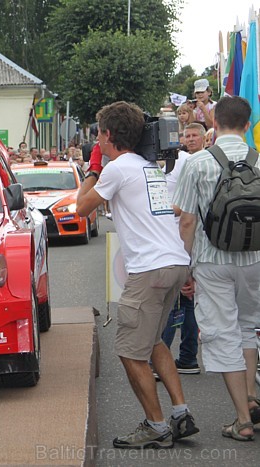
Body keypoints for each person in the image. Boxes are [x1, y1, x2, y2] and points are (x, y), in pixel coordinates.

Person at [76, 101, 197, 449]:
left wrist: (93, 169)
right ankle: (180, 413)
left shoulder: (118, 168)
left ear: (108, 135)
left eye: (98, 133)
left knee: (130, 352)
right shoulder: (147, 166)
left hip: (149, 270)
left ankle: (156, 427)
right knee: (153, 340)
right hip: (174, 263)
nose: (96, 139)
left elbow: (81, 208)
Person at [174, 96, 260, 441]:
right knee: (248, 327)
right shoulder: (258, 160)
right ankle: (251, 398)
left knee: (221, 333)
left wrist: (189, 263)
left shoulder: (197, 163)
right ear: (247, 125)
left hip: (212, 260)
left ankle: (242, 420)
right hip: (254, 259)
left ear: (215, 123)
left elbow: (186, 221)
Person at [157, 123, 205, 377]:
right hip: (176, 235)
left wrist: (162, 209)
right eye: (186, 135)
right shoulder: (176, 161)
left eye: (194, 135)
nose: (189, 139)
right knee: (186, 300)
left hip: (184, 235)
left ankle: (168, 357)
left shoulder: (188, 162)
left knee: (175, 299)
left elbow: (188, 206)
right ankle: (187, 358)